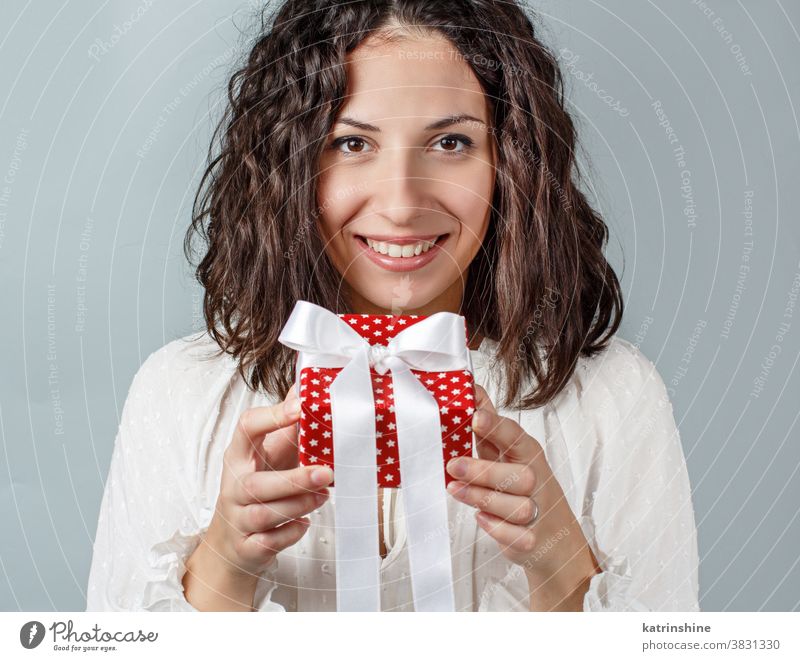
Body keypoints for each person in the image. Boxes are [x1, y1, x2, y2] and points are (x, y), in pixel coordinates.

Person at [86, 0, 700, 612]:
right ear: (293, 163)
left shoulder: (615, 397)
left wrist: (560, 566)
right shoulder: (180, 391)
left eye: (451, 142)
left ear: (510, 165)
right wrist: (225, 558)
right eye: (353, 143)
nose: (403, 204)